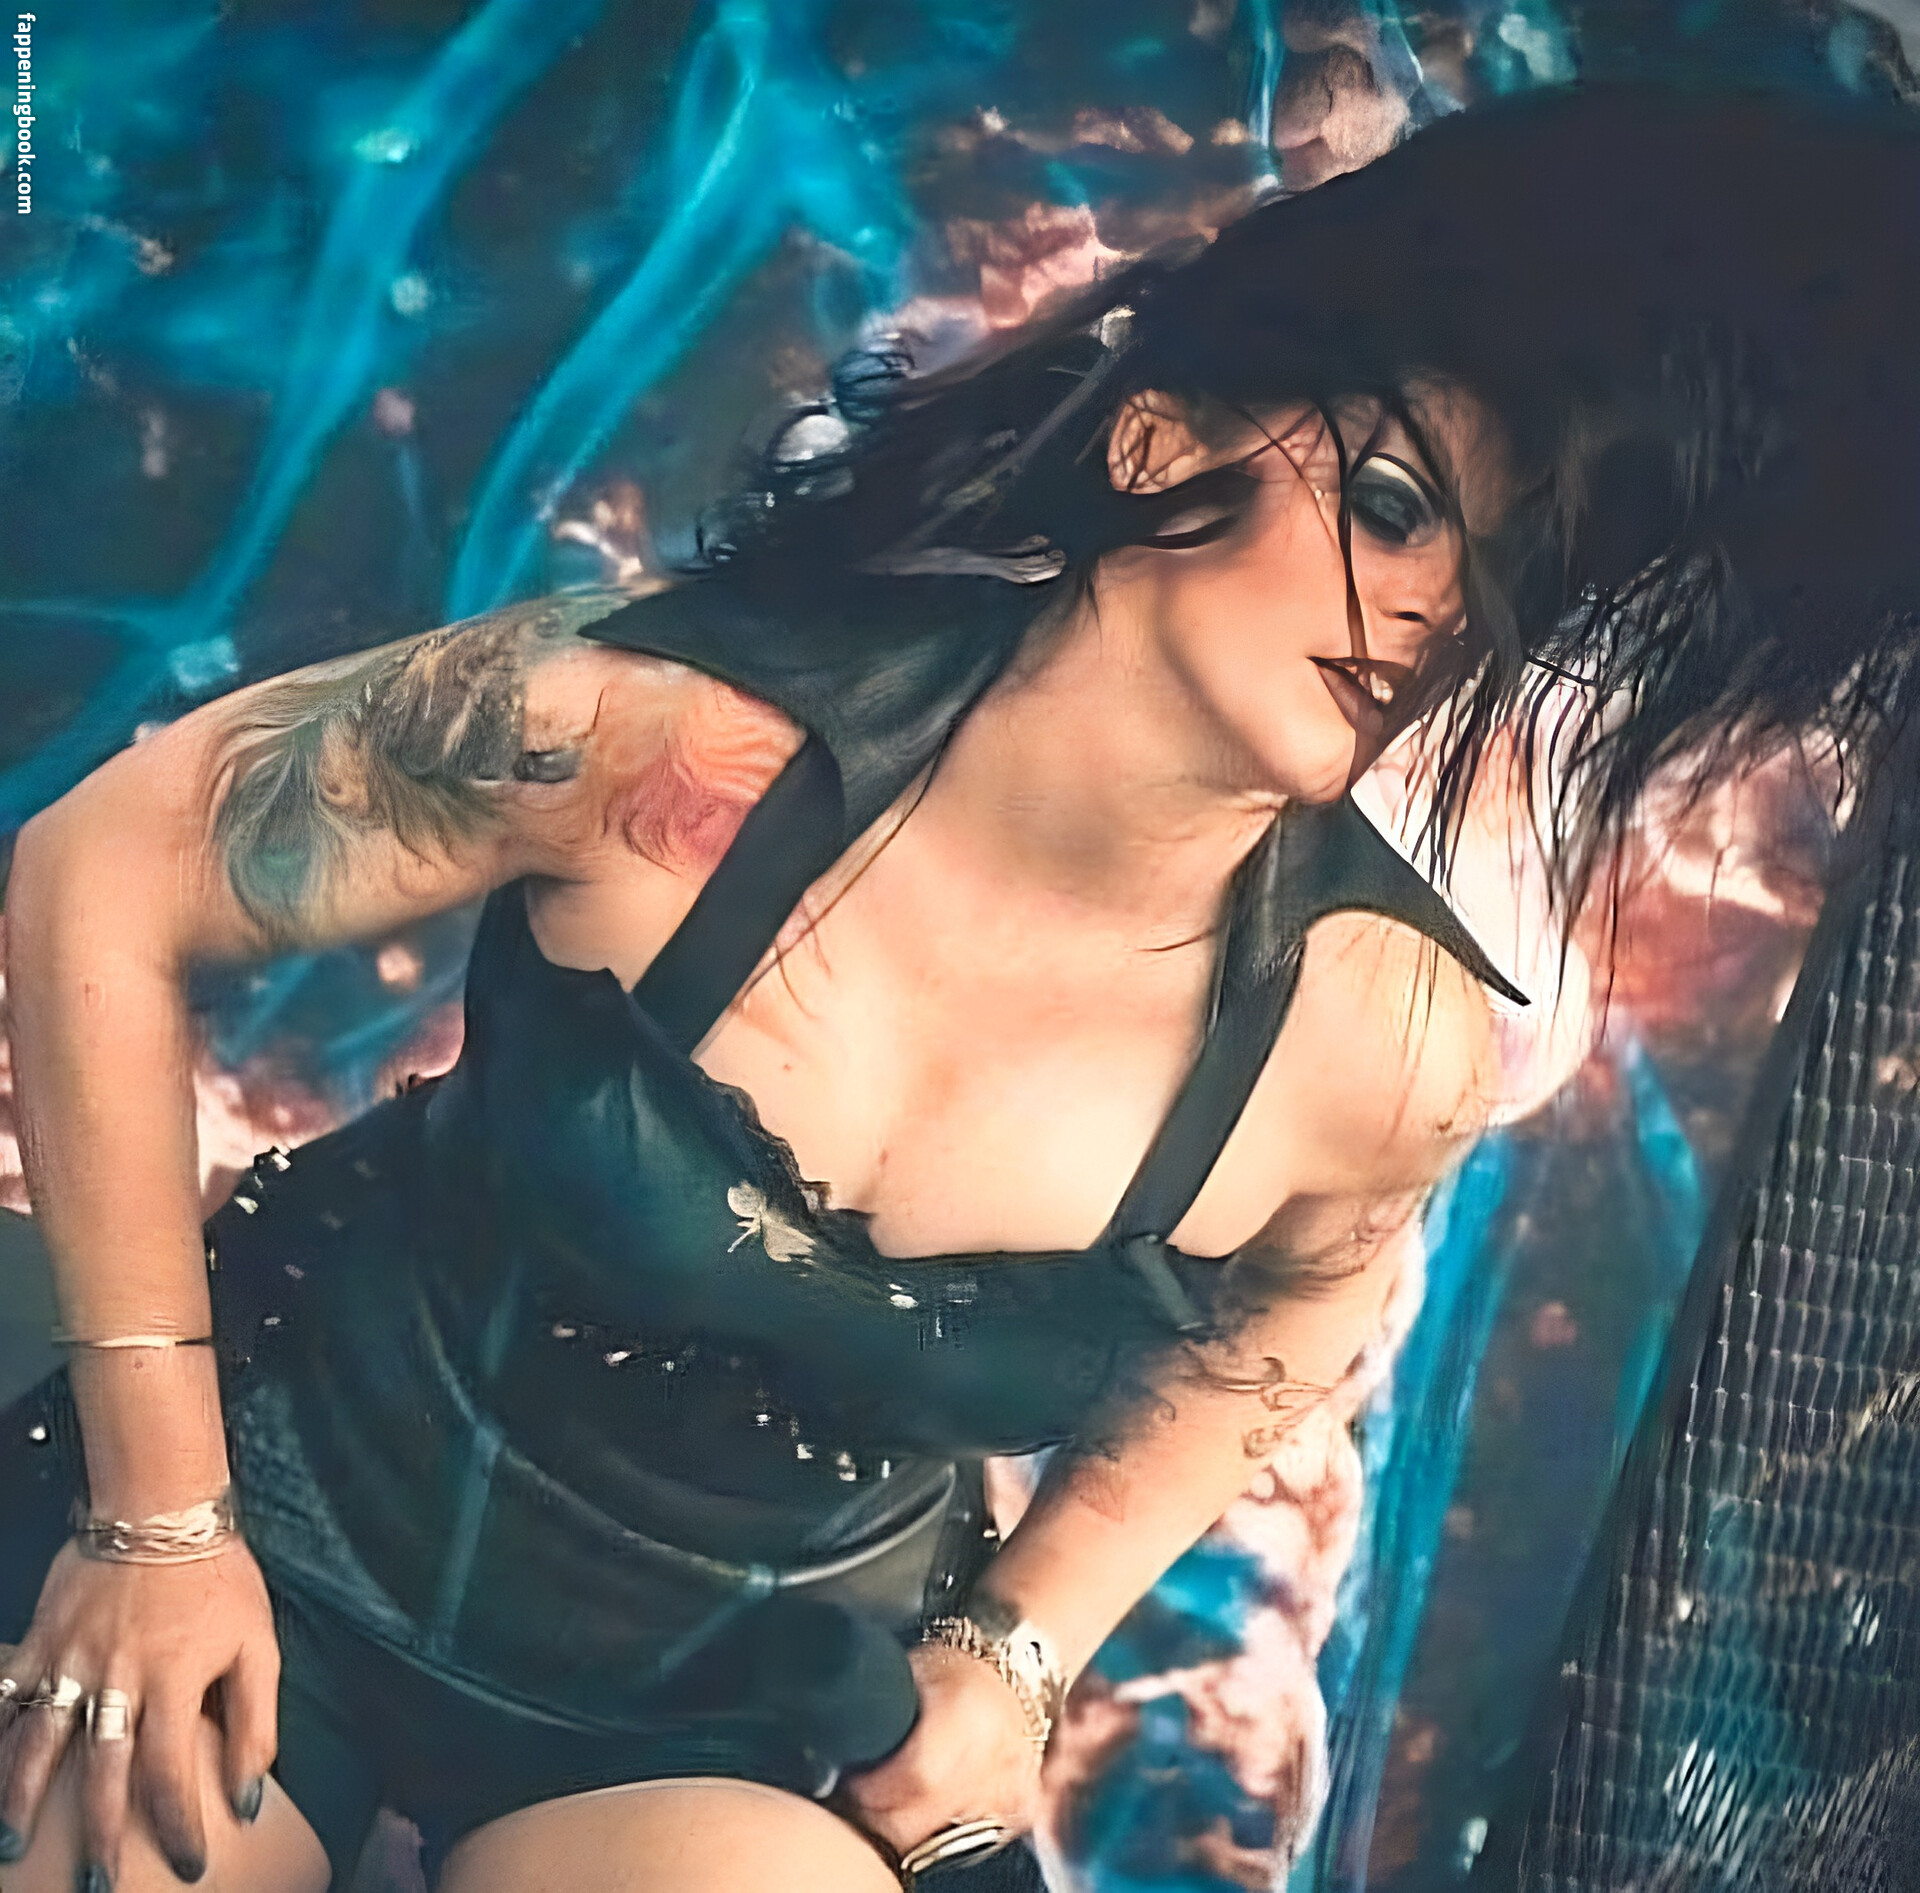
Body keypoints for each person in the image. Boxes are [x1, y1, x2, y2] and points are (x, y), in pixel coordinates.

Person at [1, 82, 1916, 1893]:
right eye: (1398, 504)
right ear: (1161, 438)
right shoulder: (676, 748)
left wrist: (1022, 1648)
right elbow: (104, 868)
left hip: (731, 1721)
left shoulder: (1376, 1034)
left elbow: (1298, 1307)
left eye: (1502, 575)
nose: (1429, 612)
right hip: (284, 1534)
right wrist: (156, 1517)